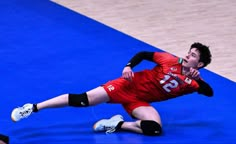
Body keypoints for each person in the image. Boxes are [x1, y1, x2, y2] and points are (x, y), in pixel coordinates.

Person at [11, 42, 213, 136]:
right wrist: (128, 67)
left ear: (200, 64)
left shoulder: (193, 83)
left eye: (193, 55)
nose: (188, 55)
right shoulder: (169, 60)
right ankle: (33, 107)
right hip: (126, 86)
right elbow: (143, 54)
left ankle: (117, 124)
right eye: (189, 52)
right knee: (83, 99)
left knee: (154, 129)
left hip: (139, 102)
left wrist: (200, 81)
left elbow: (208, 92)